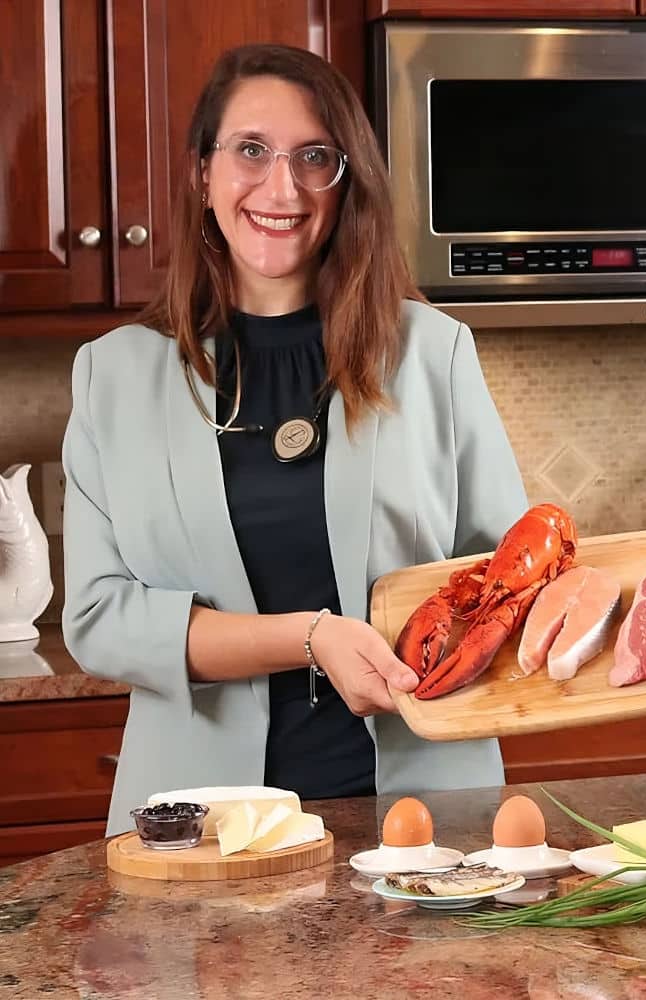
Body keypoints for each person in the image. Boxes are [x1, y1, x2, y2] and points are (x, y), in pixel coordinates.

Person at [61, 44, 528, 836]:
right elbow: (100, 619)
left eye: (315, 157)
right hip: (199, 823)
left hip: (424, 813)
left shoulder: (433, 353)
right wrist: (310, 637)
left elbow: (508, 581)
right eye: (250, 150)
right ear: (201, 174)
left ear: (348, 185)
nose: (282, 188)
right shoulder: (114, 377)